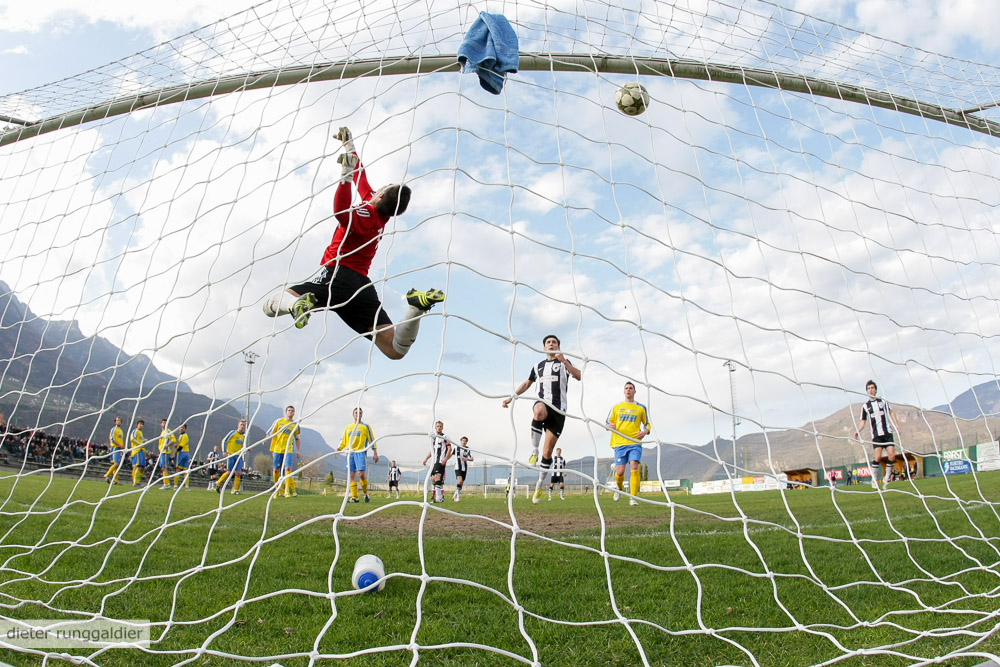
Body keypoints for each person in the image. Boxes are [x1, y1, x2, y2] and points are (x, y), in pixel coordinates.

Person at [262, 127, 444, 359]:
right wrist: (349, 146)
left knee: (271, 304)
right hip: (362, 286)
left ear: (380, 195)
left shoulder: (365, 216)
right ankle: (416, 307)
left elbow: (340, 211)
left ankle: (297, 305)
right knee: (394, 349)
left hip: (337, 275)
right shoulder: (379, 212)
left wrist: (344, 176)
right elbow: (362, 175)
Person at [501, 334, 582, 504]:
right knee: (537, 411)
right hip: (543, 404)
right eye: (548, 342)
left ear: (559, 346)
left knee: (548, 452)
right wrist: (511, 397)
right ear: (544, 347)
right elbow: (526, 383)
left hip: (559, 410)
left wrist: (564, 361)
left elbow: (578, 375)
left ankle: (539, 485)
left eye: (554, 342)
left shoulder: (564, 363)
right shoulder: (537, 366)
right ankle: (533, 451)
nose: (551, 344)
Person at [607, 381, 651, 506]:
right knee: (620, 472)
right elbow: (607, 422)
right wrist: (609, 426)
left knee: (634, 466)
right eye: (626, 388)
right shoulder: (616, 407)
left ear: (634, 391)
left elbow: (647, 423)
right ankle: (619, 489)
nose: (628, 390)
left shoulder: (641, 408)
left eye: (631, 388)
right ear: (624, 391)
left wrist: (645, 431)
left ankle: (633, 497)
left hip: (635, 442)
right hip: (619, 443)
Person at [854, 380, 902, 491]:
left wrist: (897, 425)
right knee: (878, 457)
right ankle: (874, 479)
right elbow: (863, 422)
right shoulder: (865, 406)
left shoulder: (883, 402)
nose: (870, 390)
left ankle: (887, 478)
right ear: (866, 391)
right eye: (868, 388)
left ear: (875, 390)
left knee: (892, 456)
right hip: (876, 436)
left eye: (872, 388)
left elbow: (891, 412)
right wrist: (858, 431)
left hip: (887, 433)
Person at [338, 408, 377, 503]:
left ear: (362, 414)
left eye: (360, 413)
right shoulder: (348, 427)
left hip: (360, 452)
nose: (358, 414)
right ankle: (355, 497)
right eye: (356, 413)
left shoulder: (366, 426)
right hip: (350, 453)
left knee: (361, 474)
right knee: (351, 475)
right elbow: (343, 440)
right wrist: (338, 449)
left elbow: (372, 439)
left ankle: (365, 493)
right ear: (353, 414)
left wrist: (375, 452)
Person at [269, 406, 301, 498]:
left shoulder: (295, 425)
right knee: (276, 469)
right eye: (289, 410)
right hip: (277, 449)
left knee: (287, 469)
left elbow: (297, 439)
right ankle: (278, 490)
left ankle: (287, 490)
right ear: (286, 412)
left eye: (292, 411)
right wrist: (266, 440)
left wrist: (298, 450)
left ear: (294, 413)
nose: (291, 412)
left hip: (289, 450)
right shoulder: (278, 421)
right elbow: (270, 432)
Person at [422, 421, 453, 503]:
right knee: (434, 479)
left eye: (440, 426)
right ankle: (440, 497)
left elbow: (450, 449)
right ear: (435, 427)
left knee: (438, 477)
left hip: (441, 461)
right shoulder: (433, 438)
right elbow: (432, 451)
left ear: (442, 428)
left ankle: (439, 498)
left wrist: (445, 459)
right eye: (437, 426)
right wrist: (426, 458)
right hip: (434, 462)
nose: (439, 427)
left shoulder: (445, 437)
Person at [215, 419, 247, 495]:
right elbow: (224, 440)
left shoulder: (243, 437)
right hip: (231, 455)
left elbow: (243, 446)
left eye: (244, 425)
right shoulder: (233, 433)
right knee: (229, 472)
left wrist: (248, 448)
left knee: (239, 473)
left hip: (239, 456)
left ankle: (235, 490)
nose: (242, 426)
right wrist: (224, 451)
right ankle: (218, 483)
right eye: (241, 425)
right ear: (238, 425)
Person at [156, 419, 177, 489]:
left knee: (164, 467)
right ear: (161, 424)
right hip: (162, 452)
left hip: (166, 452)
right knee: (162, 468)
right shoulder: (162, 432)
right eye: (163, 423)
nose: (164, 424)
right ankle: (166, 483)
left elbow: (173, 440)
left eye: (166, 423)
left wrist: (167, 445)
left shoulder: (168, 431)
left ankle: (166, 484)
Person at [452, 436, 473, 502]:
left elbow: (472, 458)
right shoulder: (456, 447)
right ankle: (458, 497)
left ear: (466, 442)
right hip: (457, 467)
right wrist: (445, 459)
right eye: (463, 440)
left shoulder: (468, 449)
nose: (464, 442)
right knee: (460, 481)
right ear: (461, 441)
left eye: (465, 441)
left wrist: (466, 459)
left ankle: (454, 495)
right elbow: (451, 454)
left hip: (464, 468)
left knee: (461, 483)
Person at [104, 416, 124, 485]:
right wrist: (120, 445)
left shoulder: (120, 430)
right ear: (115, 422)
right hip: (115, 448)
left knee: (117, 465)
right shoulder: (113, 429)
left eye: (120, 420)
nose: (118, 421)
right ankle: (106, 475)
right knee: (116, 464)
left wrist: (122, 446)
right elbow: (112, 439)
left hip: (119, 449)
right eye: (117, 420)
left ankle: (115, 480)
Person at [128, 419, 147, 487]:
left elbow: (141, 444)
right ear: (137, 425)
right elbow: (132, 439)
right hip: (136, 451)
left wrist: (146, 452)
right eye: (140, 424)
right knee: (138, 466)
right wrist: (140, 444)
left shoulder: (141, 433)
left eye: (142, 424)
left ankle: (137, 481)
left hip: (141, 451)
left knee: (143, 467)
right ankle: (135, 482)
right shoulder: (135, 431)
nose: (141, 425)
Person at [174, 423, 191, 490]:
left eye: (183, 428)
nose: (181, 429)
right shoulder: (181, 436)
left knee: (178, 469)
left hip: (182, 453)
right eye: (180, 427)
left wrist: (176, 451)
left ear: (185, 429)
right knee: (185, 470)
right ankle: (186, 486)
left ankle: (175, 485)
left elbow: (182, 445)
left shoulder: (184, 436)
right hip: (186, 453)